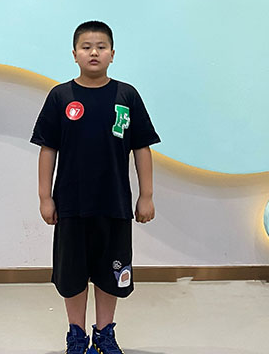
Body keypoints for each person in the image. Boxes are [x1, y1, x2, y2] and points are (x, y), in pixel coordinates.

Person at [31, 20, 160, 354]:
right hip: (71, 206)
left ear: (112, 54)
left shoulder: (126, 95)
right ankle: (76, 335)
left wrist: (146, 195)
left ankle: (104, 333)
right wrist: (45, 197)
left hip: (114, 205)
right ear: (74, 54)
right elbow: (48, 149)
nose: (94, 53)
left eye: (101, 47)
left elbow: (142, 147)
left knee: (111, 273)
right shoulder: (60, 96)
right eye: (86, 47)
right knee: (72, 276)